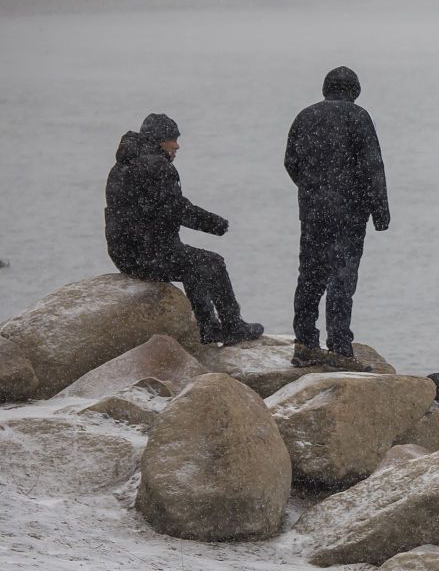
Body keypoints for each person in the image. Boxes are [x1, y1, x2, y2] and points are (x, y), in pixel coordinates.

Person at [104, 113, 263, 346]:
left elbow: (155, 211)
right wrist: (215, 224)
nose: (177, 146)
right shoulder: (157, 166)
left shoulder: (121, 165)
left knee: (193, 265)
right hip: (148, 253)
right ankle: (232, 326)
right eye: (173, 139)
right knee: (213, 263)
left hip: (124, 253)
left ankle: (209, 328)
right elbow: (177, 209)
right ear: (160, 140)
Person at [285, 66, 389, 372]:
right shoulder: (359, 117)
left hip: (313, 213)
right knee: (341, 278)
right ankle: (340, 347)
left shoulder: (305, 116)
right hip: (349, 213)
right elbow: (373, 166)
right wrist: (380, 211)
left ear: (326, 89)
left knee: (310, 275)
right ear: (354, 91)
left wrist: (312, 189)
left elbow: (290, 161)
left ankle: (305, 343)